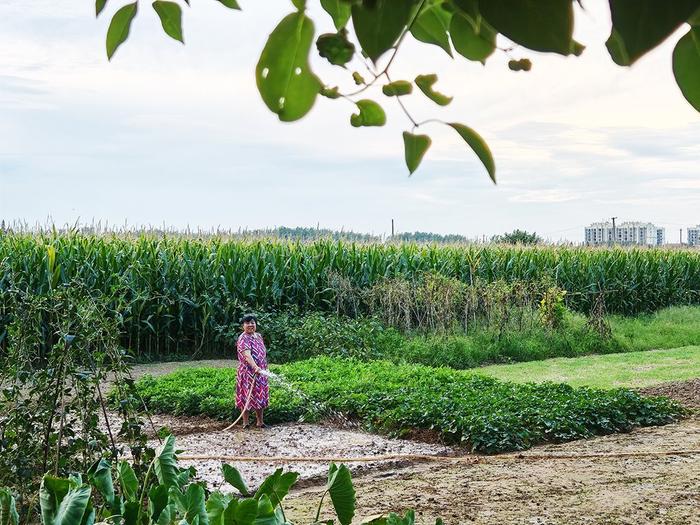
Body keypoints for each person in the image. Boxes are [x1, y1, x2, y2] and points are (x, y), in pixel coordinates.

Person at [235, 313, 269, 428]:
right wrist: (255, 367)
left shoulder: (258, 336)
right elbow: (247, 355)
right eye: (248, 323)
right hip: (248, 372)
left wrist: (261, 368)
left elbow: (262, 353)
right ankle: (245, 423)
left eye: (253, 322)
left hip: (260, 372)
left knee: (260, 395)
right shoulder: (243, 338)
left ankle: (260, 422)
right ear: (243, 326)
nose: (251, 325)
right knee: (246, 396)